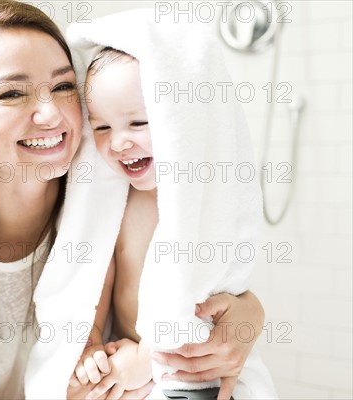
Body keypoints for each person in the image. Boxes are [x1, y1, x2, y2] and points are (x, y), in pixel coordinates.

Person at [0, 1, 266, 399]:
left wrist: (248, 314)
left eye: (63, 86)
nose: (51, 114)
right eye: (12, 93)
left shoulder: (120, 195)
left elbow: (199, 280)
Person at [69, 48, 272, 400]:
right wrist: (92, 340)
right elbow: (98, 273)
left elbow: (198, 293)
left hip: (189, 367)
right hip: (128, 351)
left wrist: (149, 359)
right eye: (102, 127)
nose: (118, 142)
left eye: (138, 123)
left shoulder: (203, 205)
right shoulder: (114, 199)